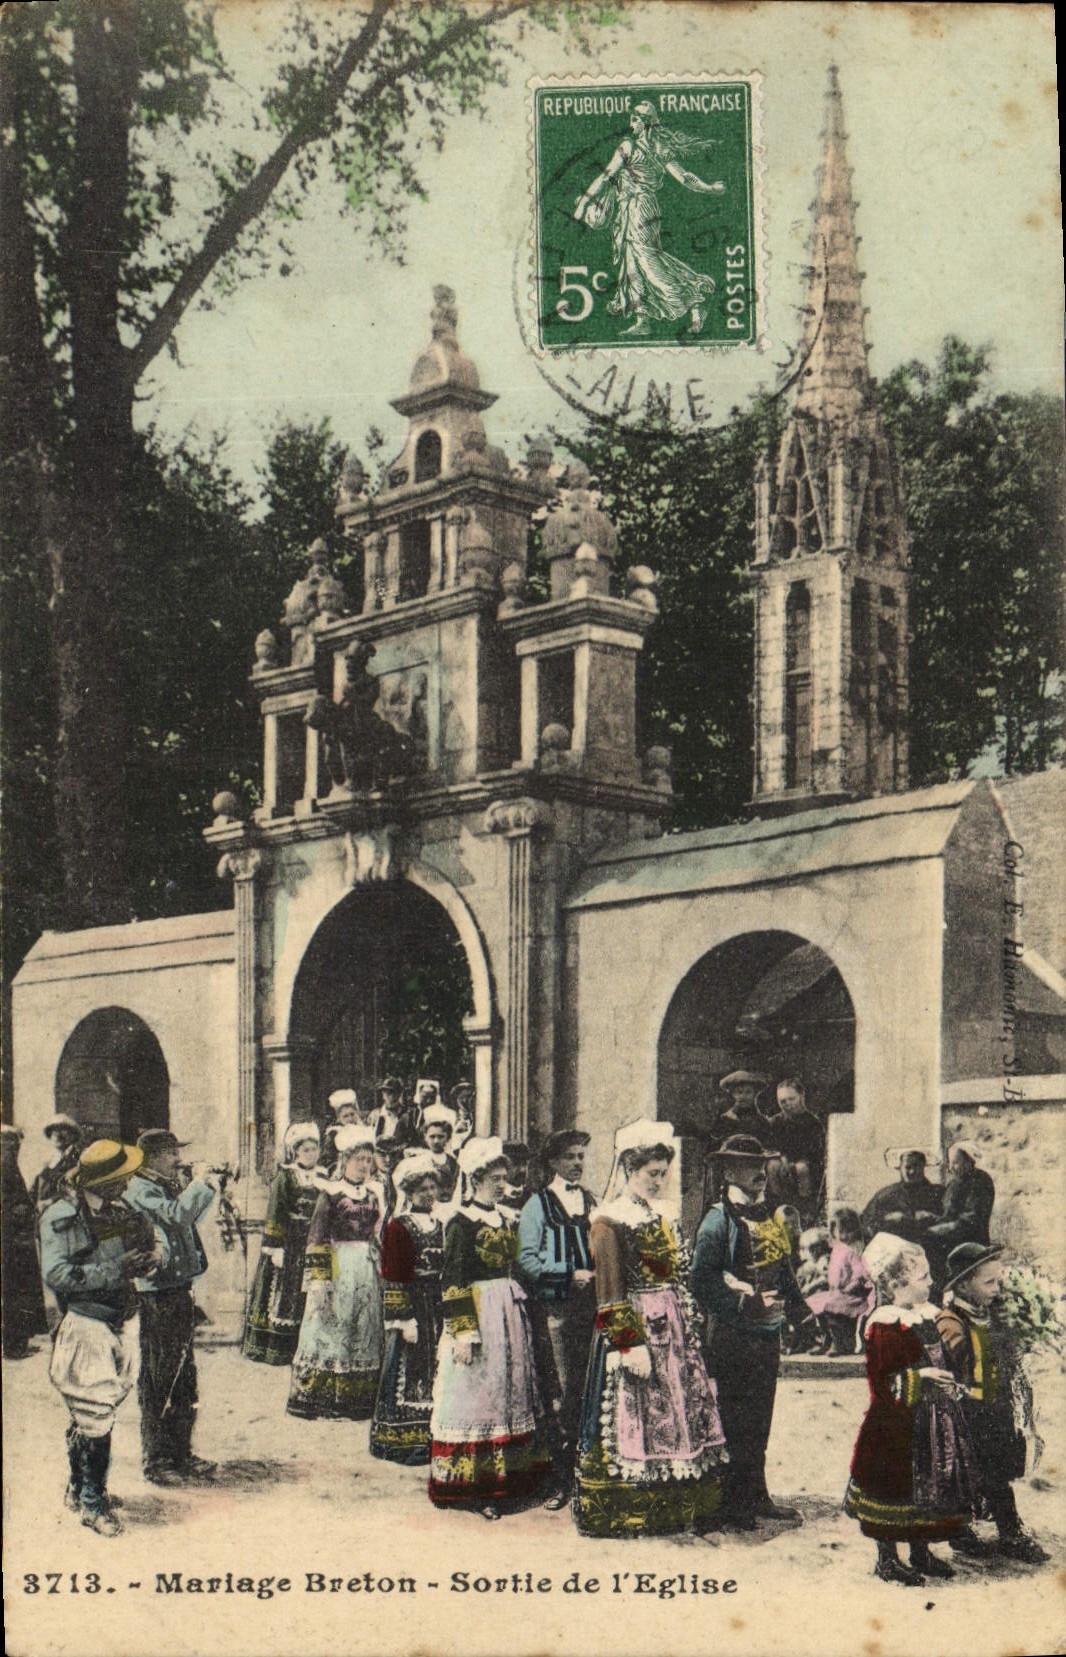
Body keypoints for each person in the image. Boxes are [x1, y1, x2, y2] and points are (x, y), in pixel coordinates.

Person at [574, 1118, 727, 1539]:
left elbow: (676, 1273)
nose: (659, 1182)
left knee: (676, 1409)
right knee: (635, 1411)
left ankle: (675, 1507)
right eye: (651, 1174)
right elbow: (608, 1290)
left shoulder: (659, 1214)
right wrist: (628, 1344)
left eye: (664, 1174)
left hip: (672, 1327)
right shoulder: (609, 1220)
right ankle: (630, 1508)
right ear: (627, 1169)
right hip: (637, 1326)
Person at [39, 1139, 163, 1536]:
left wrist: (154, 1255)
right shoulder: (61, 1217)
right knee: (94, 1413)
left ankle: (80, 1488)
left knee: (102, 1407)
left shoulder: (121, 1211)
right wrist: (114, 1268)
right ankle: (93, 1503)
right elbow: (56, 1274)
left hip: (123, 1319)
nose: (126, 1185)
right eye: (119, 1180)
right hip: (87, 1323)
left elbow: (150, 1238)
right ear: (102, 1181)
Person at [844, 1234, 979, 1585]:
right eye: (923, 1278)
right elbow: (882, 1382)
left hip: (935, 1418)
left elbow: (945, 1353)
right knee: (895, 1487)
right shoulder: (885, 1324)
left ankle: (920, 1551)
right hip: (896, 1424)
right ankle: (887, 1558)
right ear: (896, 1285)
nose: (932, 1283)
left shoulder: (927, 1315)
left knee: (929, 1489)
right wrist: (923, 1375)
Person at [429, 1136, 551, 1518]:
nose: (503, 1184)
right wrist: (463, 1332)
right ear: (476, 1178)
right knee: (477, 1393)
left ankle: (508, 1482)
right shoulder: (461, 1223)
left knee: (507, 1390)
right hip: (478, 1313)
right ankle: (476, 1488)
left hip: (507, 1313)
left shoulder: (506, 1218)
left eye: (505, 1177)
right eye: (495, 1178)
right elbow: (452, 1279)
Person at [691, 1133, 808, 1529]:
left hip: (766, 1335)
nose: (758, 1172)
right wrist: (744, 1304)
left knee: (760, 1416)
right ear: (728, 1171)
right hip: (732, 1335)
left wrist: (803, 1312)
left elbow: (783, 1268)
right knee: (735, 1417)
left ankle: (757, 1494)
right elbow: (701, 1281)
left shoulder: (770, 1213)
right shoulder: (717, 1220)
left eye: (760, 1164)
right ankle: (733, 1502)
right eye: (746, 1165)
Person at [936, 1242, 1050, 1565]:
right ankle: (969, 1530)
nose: (998, 1289)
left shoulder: (993, 1313)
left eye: (1000, 1281)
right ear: (963, 1284)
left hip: (996, 1408)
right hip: (968, 1412)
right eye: (989, 1283)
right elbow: (960, 1365)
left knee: (998, 1471)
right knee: (969, 1472)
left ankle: (1004, 1531)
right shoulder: (950, 1321)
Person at [573, 101, 725, 337]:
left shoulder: (628, 147)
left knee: (646, 261)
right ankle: (643, 318)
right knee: (633, 260)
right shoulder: (660, 148)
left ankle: (695, 299)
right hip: (640, 208)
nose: (630, 124)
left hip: (638, 208)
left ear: (644, 123)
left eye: (634, 119)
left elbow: (605, 177)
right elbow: (685, 178)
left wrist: (583, 203)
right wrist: (710, 188)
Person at [124, 1129, 218, 1486]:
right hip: (158, 1294)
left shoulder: (162, 1184)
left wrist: (201, 1185)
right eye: (170, 1153)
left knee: (184, 1378)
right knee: (159, 1377)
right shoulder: (140, 1188)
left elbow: (186, 1218)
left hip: (177, 1290)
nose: (177, 1158)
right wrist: (200, 1183)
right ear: (154, 1156)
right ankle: (156, 1460)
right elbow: (178, 1216)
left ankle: (181, 1454)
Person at [516, 1129, 598, 1509]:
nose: (577, 1163)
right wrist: (568, 1274)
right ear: (553, 1162)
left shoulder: (592, 1201)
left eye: (581, 1156)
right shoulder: (538, 1204)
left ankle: (590, 1473)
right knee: (562, 1392)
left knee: (590, 1387)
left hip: (591, 1310)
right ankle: (561, 1479)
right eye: (570, 1157)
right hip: (556, 1311)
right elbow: (527, 1260)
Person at [287, 1124, 385, 1420]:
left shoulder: (373, 1193)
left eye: (368, 1160)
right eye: (358, 1160)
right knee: (332, 1325)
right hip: (338, 1264)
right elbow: (316, 1236)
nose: (363, 1166)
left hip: (365, 1266)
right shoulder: (329, 1193)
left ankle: (356, 1400)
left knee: (362, 1326)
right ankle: (323, 1398)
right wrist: (318, 1280)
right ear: (344, 1161)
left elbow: (378, 1232)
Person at [369, 1152, 445, 1465]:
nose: (429, 1194)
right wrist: (402, 1318)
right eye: (422, 1189)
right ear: (410, 1193)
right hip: (414, 1304)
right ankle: (404, 1438)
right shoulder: (399, 1226)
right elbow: (394, 1275)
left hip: (438, 1305)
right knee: (411, 1366)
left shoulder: (442, 1223)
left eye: (432, 1188)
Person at [242, 1122, 322, 1365]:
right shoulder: (286, 1176)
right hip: (291, 1242)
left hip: (314, 1241)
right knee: (285, 1292)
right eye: (305, 1150)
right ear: (295, 1152)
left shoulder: (325, 1176)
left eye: (314, 1149)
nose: (311, 1154)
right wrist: (275, 1246)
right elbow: (276, 1210)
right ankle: (280, 1348)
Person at [1, 1125, 49, 1358]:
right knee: (14, 1292)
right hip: (11, 1244)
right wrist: (24, 1209)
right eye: (10, 1143)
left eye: (16, 1144)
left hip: (16, 1242)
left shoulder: (9, 1166)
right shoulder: (5, 1167)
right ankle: (14, 1346)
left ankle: (17, 1342)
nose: (14, 1148)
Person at [805, 1207, 876, 1357]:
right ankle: (827, 1339)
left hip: (854, 1296)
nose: (837, 1232)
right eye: (835, 1228)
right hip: (837, 1292)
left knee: (830, 1305)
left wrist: (849, 1288)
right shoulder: (837, 1249)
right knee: (815, 1302)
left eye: (839, 1228)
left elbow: (859, 1275)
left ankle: (839, 1343)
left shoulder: (853, 1250)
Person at [764, 1077, 826, 1223]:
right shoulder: (775, 1122)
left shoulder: (813, 1123)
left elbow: (814, 1152)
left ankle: (805, 1209)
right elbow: (770, 1146)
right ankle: (777, 1208)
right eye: (782, 1101)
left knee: (801, 1168)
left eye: (791, 1099)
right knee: (772, 1165)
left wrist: (791, 1162)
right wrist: (782, 1158)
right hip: (780, 1163)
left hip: (806, 1165)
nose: (787, 1104)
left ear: (801, 1096)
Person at [860, 1150, 943, 1248]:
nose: (912, 1171)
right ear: (900, 1168)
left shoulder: (938, 1193)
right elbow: (865, 1223)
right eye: (908, 1167)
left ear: (923, 1167)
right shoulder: (886, 1195)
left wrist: (932, 1218)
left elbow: (950, 1220)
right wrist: (888, 1220)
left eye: (917, 1167)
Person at [925, 1142, 996, 1255]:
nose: (950, 1168)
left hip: (970, 1241)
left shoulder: (980, 1180)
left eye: (955, 1163)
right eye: (950, 1163)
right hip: (951, 1235)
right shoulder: (953, 1183)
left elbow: (972, 1219)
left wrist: (945, 1227)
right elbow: (947, 1213)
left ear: (969, 1162)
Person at [32, 1115, 83, 1212]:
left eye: (63, 1129)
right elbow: (35, 1191)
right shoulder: (48, 1163)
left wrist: (50, 1202)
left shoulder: (77, 1161)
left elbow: (76, 1193)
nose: (57, 1134)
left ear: (74, 1135)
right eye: (53, 1130)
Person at [421, 1103, 460, 1201]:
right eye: (432, 1136)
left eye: (440, 1136)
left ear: (448, 1138)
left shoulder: (453, 1162)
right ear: (425, 1137)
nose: (436, 1141)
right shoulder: (420, 1161)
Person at [321, 1088, 366, 1170]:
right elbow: (328, 1160)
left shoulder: (361, 1130)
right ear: (339, 1118)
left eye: (352, 1114)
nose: (350, 1119)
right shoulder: (334, 1133)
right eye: (346, 1116)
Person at [500, 1139, 533, 1221]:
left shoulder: (534, 1199)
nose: (522, 1170)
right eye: (516, 1164)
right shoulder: (494, 1198)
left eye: (525, 1164)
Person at [448, 1082, 474, 1150]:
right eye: (462, 1097)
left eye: (468, 1097)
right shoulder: (451, 1116)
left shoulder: (477, 1116)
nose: (465, 1100)